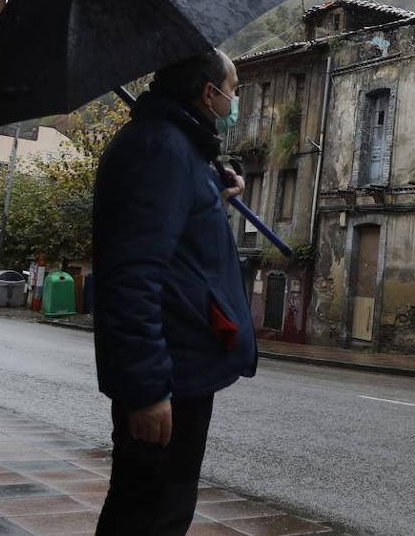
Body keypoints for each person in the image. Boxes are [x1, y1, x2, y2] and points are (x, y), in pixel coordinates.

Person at [92, 49, 257, 535]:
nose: (236, 98)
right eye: (235, 86)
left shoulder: (176, 150)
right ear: (210, 93)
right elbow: (133, 274)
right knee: (149, 517)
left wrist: (212, 191)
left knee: (155, 508)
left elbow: (176, 237)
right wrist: (146, 389)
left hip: (182, 371)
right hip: (170, 374)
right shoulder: (159, 149)